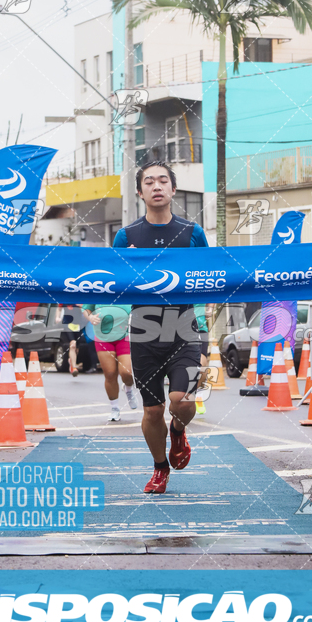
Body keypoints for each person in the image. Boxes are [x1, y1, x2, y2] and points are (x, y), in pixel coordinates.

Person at [113, 161, 208, 494]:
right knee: (153, 411)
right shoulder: (126, 237)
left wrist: (206, 343)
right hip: (144, 333)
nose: (156, 186)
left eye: (163, 180)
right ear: (140, 192)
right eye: (149, 181)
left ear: (173, 189)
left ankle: (179, 430)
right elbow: (114, 286)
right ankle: (159, 468)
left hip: (185, 331)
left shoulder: (192, 233)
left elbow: (207, 284)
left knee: (183, 399)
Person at [82, 303, 137, 422]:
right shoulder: (99, 288)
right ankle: (115, 408)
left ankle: (128, 388)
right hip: (103, 337)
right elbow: (86, 309)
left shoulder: (125, 287)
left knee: (127, 372)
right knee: (110, 373)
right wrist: (90, 317)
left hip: (125, 336)